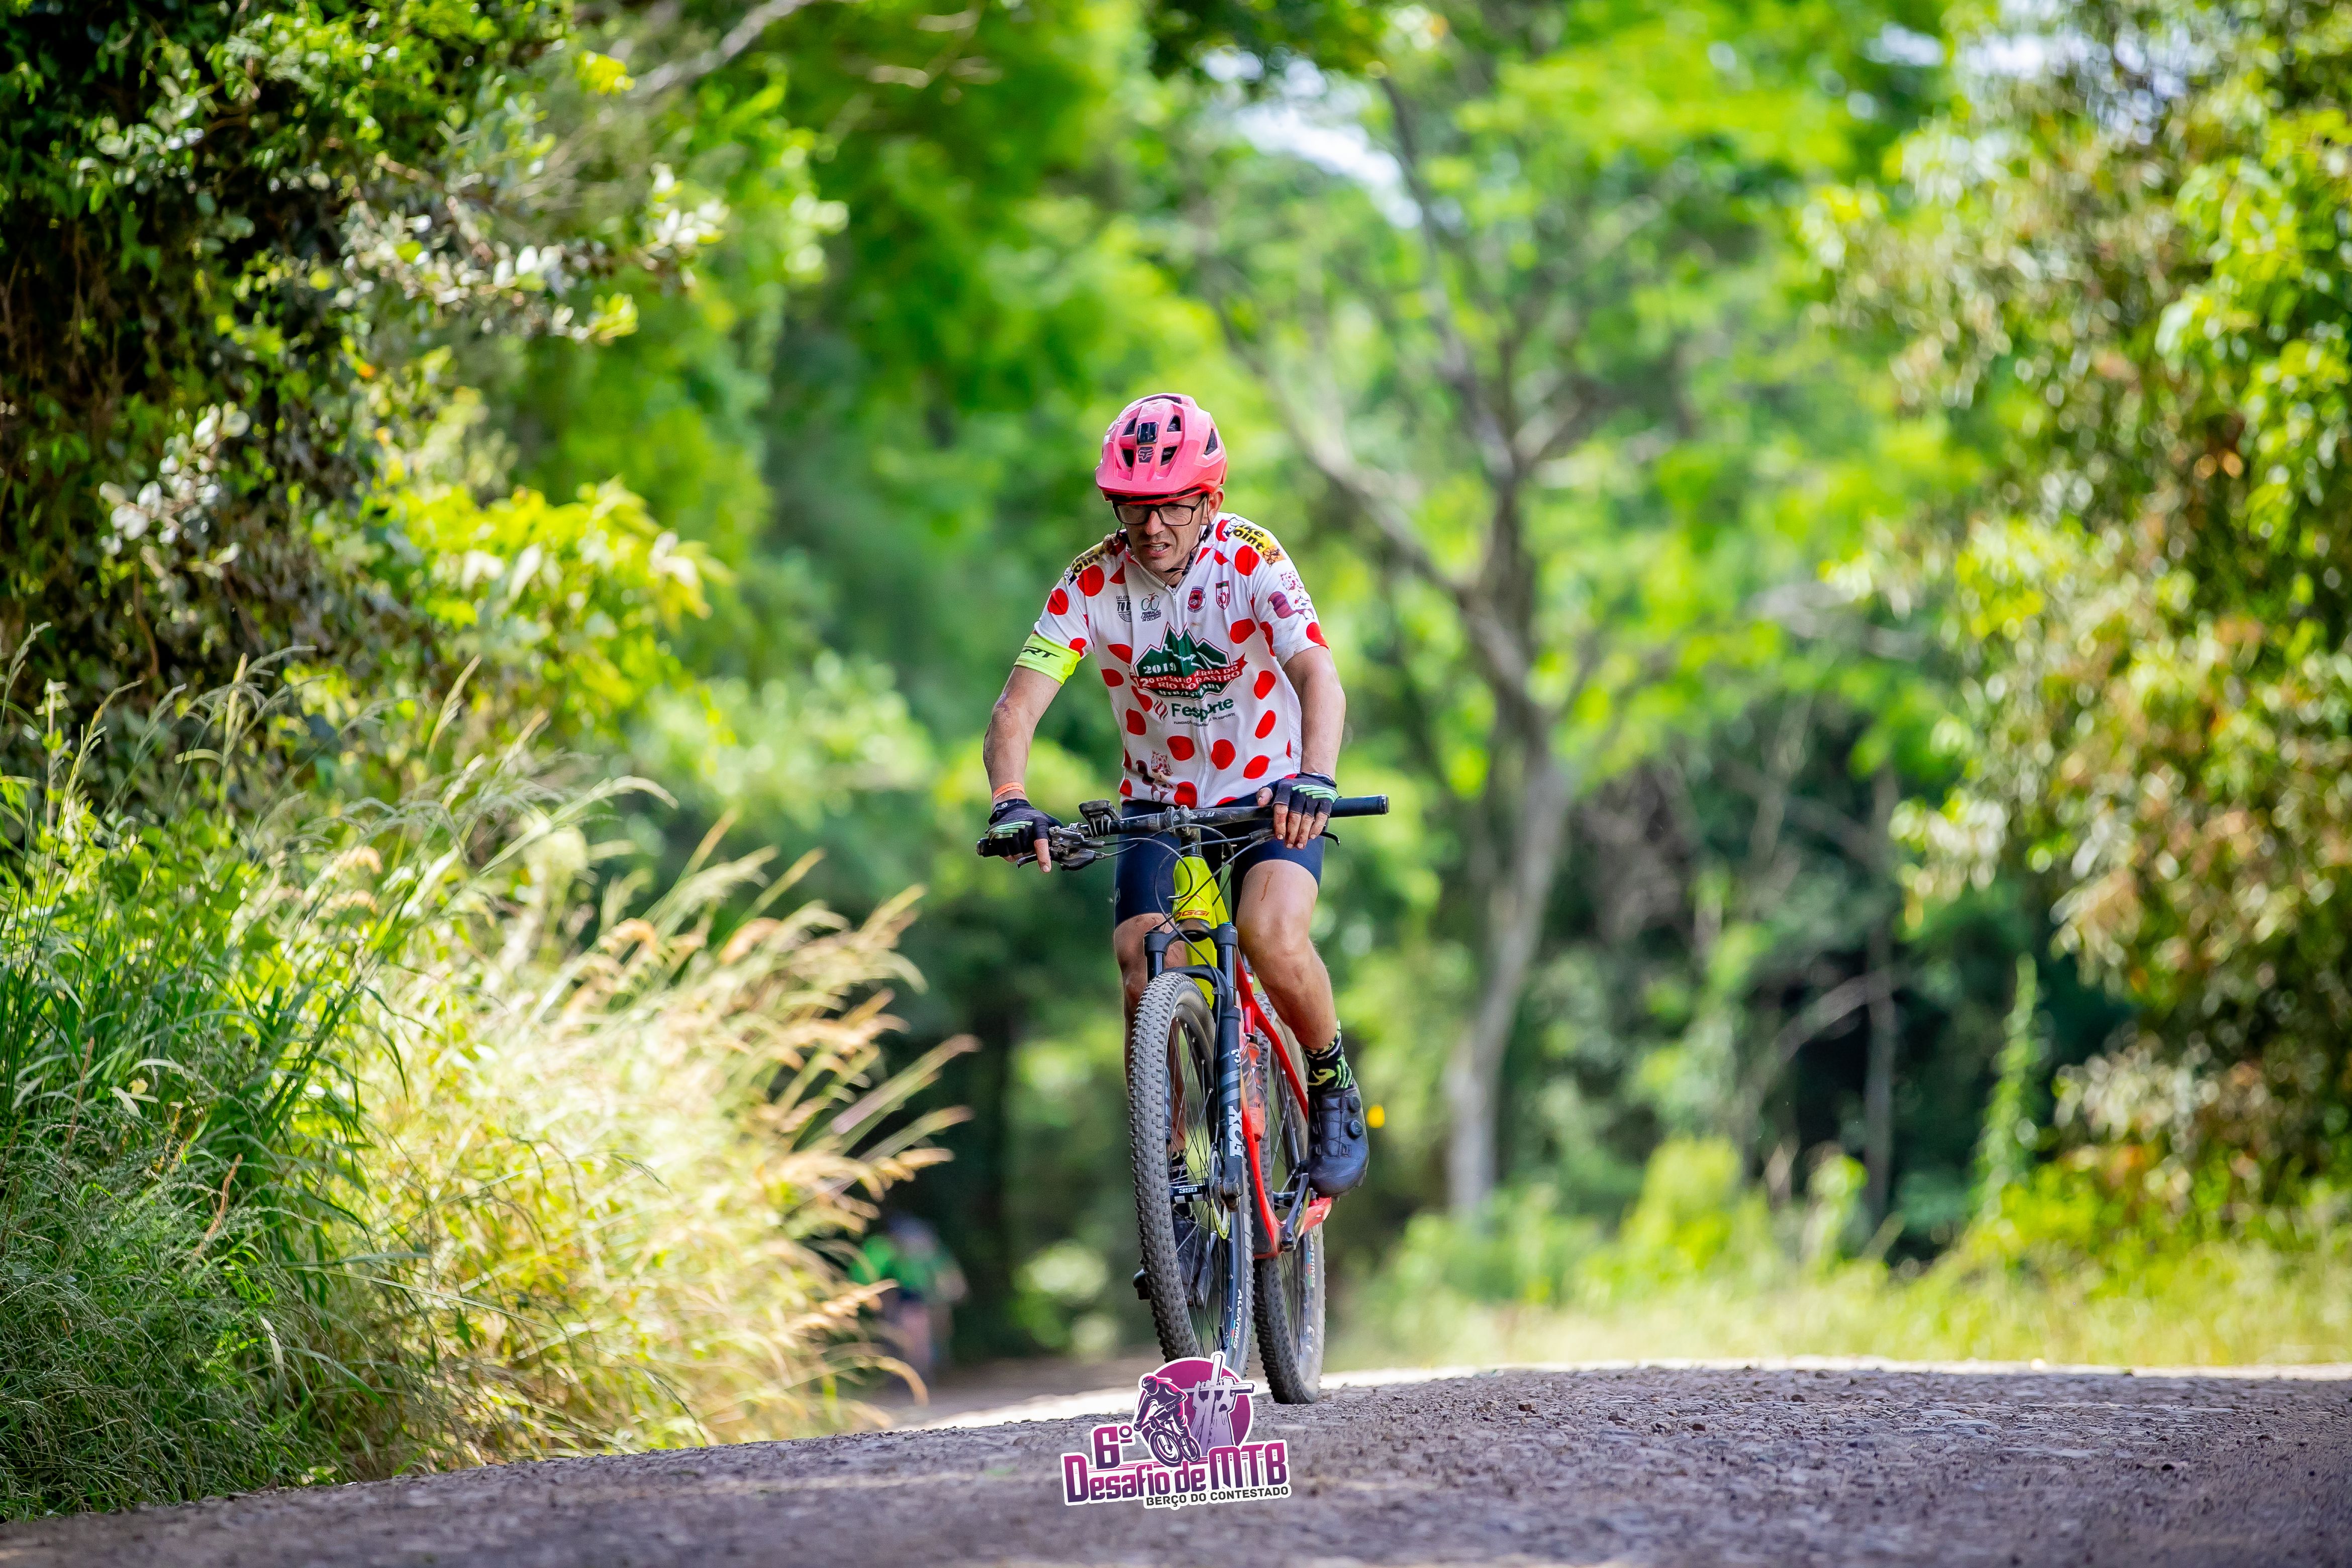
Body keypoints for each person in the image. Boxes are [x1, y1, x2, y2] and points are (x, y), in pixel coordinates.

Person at [979, 391, 1368, 1196]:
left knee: (1270, 935)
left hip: (1269, 792)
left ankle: (1332, 1080)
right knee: (1140, 959)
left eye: (1171, 507)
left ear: (1210, 501)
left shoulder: (1252, 559)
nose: (1151, 526)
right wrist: (1011, 797)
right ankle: (1166, 1175)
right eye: (1132, 508)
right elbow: (1015, 708)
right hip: (1159, 803)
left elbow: (1318, 676)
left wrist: (1317, 776)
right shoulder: (1091, 582)